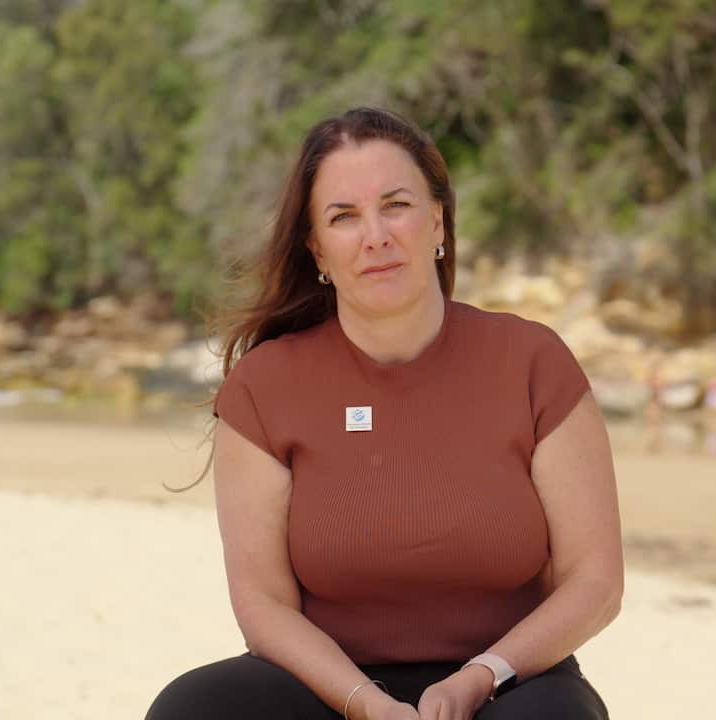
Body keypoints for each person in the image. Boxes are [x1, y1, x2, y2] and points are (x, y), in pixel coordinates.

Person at [146, 108, 623, 720]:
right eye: (344, 217)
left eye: (395, 205)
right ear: (316, 247)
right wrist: (365, 704)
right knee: (193, 708)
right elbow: (263, 604)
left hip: (513, 682)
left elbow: (596, 582)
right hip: (329, 690)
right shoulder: (265, 386)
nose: (375, 236)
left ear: (437, 220)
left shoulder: (533, 362)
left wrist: (480, 677)